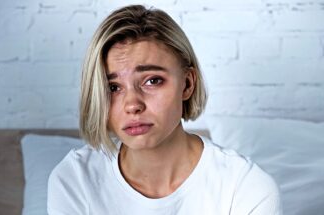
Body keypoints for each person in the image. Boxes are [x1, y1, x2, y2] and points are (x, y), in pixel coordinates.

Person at [47, 5, 282, 215]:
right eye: (113, 87)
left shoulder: (245, 187)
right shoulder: (74, 180)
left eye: (152, 81)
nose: (132, 105)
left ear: (188, 84)